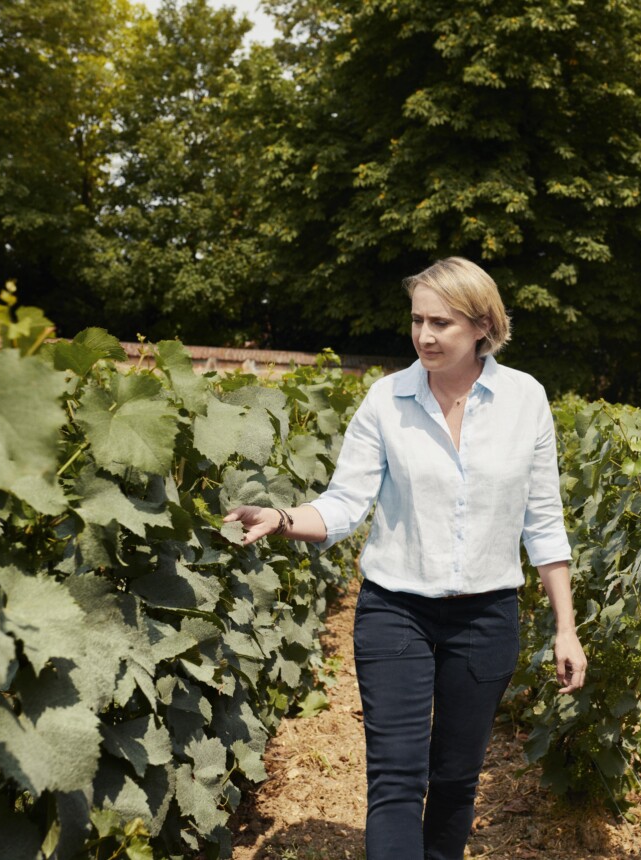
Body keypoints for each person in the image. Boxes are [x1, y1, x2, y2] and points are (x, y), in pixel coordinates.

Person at [224, 257, 588, 860]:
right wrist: (283, 518)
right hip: (395, 612)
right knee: (395, 780)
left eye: (441, 322)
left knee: (454, 782)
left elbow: (545, 524)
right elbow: (344, 504)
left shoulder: (526, 399)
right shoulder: (386, 399)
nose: (423, 335)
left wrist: (566, 629)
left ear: (481, 326)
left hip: (486, 618)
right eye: (417, 320)